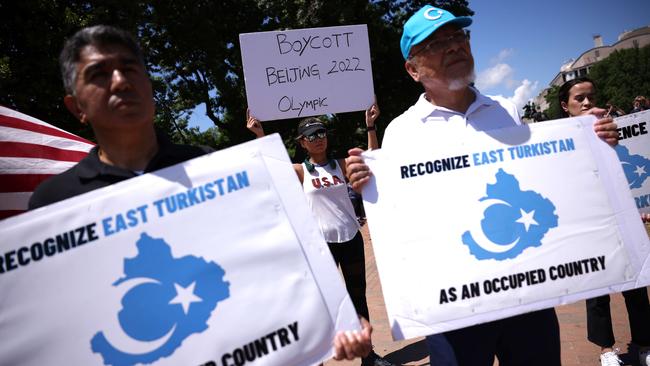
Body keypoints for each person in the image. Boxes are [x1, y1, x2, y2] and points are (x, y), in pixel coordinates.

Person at [29, 24, 372, 362]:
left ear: (150, 86)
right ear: (76, 107)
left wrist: (324, 328)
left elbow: (258, 265)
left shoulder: (210, 168)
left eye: (130, 68)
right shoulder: (54, 204)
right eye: (99, 74)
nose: (120, 80)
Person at [345, 5, 619, 366]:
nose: (454, 46)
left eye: (458, 36)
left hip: (526, 291)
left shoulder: (505, 109)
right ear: (413, 69)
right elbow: (399, 217)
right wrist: (365, 180)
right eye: (436, 44)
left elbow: (546, 181)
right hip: (454, 304)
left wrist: (596, 145)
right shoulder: (400, 133)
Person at [247, 104, 392, 366]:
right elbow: (268, 167)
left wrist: (370, 125)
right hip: (320, 246)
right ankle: (318, 359)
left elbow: (373, 159)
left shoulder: (340, 164)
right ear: (302, 142)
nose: (318, 138)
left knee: (358, 297)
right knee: (321, 305)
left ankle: (368, 356)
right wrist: (260, 135)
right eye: (311, 135)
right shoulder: (299, 171)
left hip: (350, 238)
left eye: (321, 132)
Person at [559, 76, 650, 366]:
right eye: (579, 98)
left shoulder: (610, 132)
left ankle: (644, 344)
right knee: (598, 291)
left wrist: (642, 203)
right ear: (565, 106)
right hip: (589, 226)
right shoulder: (557, 143)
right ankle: (606, 349)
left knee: (635, 286)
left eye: (591, 96)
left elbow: (631, 175)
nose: (587, 102)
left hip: (622, 221)